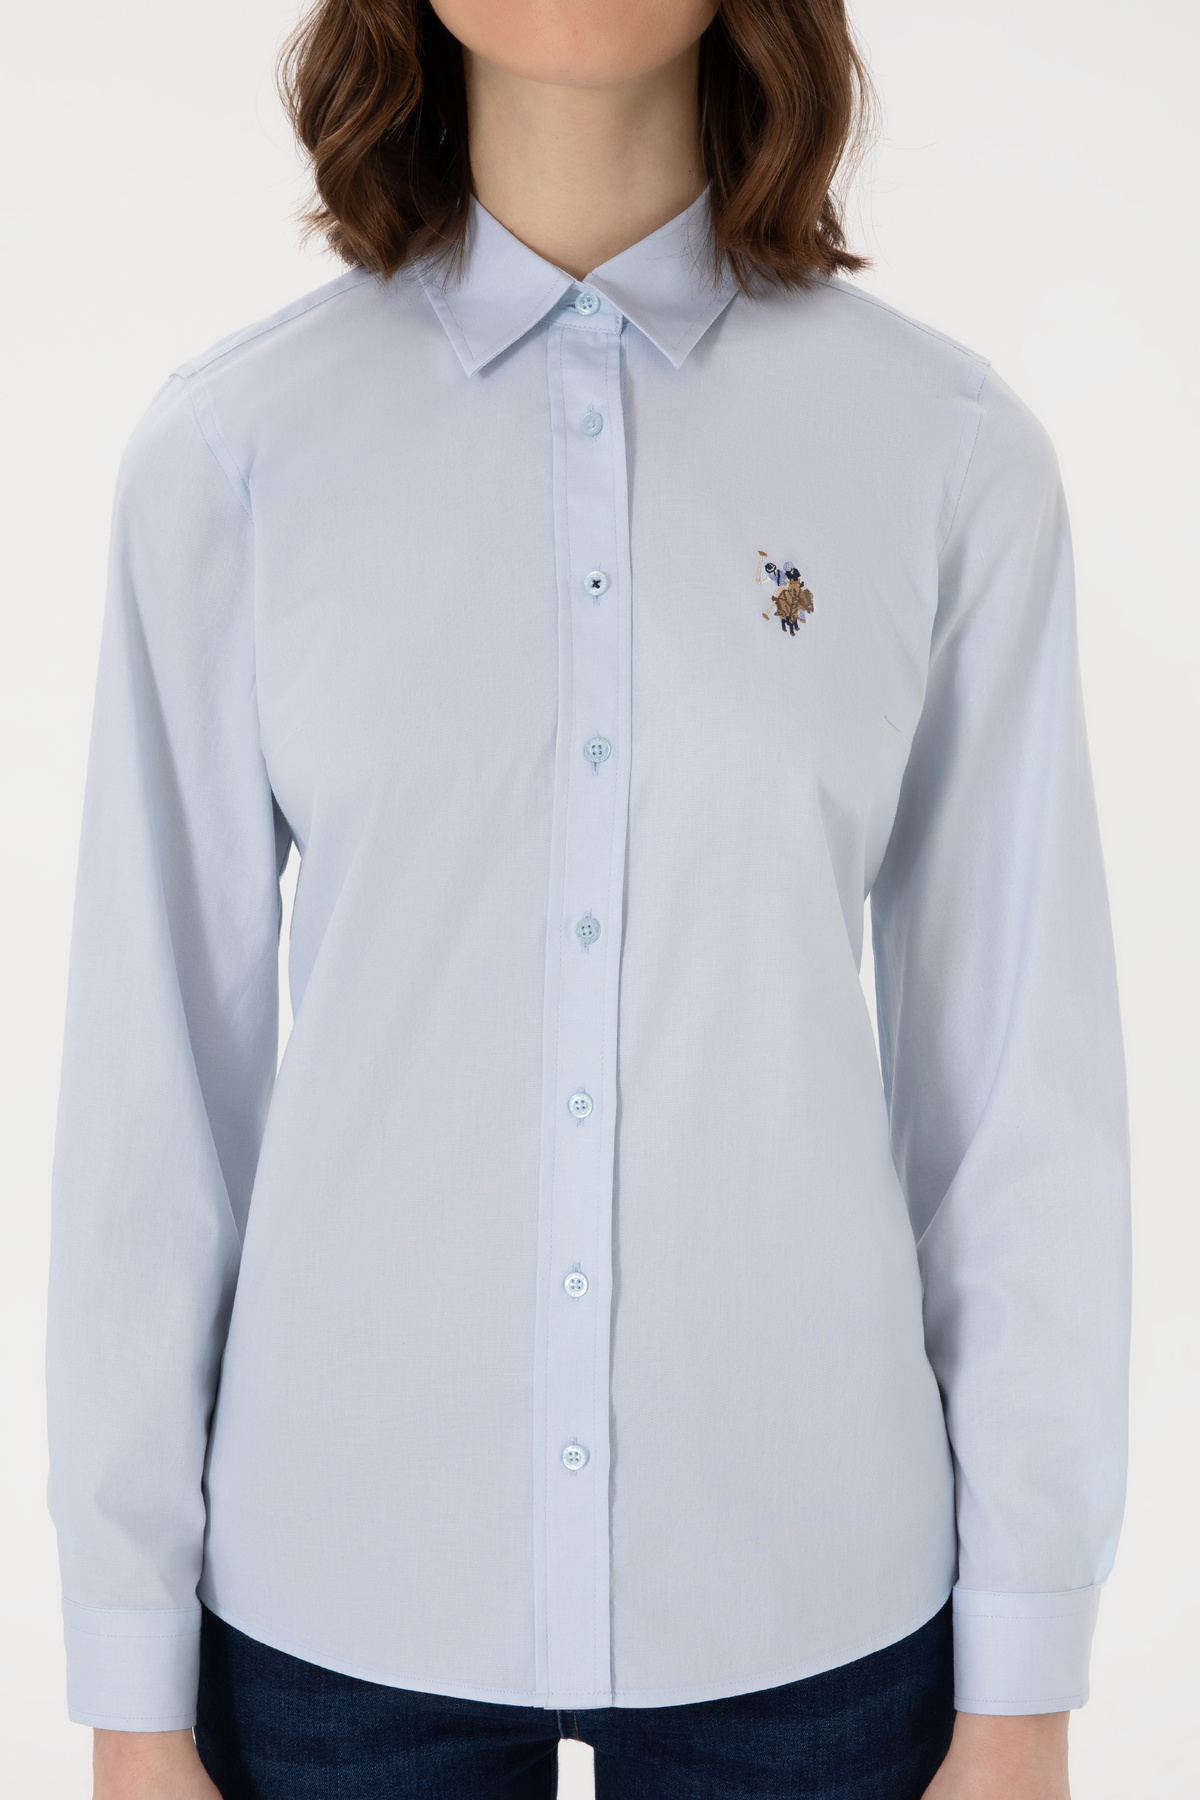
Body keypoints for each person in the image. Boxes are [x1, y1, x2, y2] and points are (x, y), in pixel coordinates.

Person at [47, 2, 1131, 1796]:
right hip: (336, 1601)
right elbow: (153, 1113)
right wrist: (129, 1683)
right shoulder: (233, 458)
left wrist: (1026, 1674)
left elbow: (1016, 1100)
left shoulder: (945, 453)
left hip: (810, 1599)